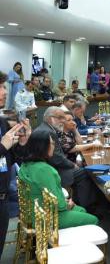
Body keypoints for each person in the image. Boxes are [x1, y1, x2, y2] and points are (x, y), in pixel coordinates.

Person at [18, 129, 99, 229]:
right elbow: (59, 204)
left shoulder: (25, 165)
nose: (54, 147)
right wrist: (67, 204)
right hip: (47, 217)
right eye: (52, 144)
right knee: (93, 219)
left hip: (32, 214)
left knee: (81, 210)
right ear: (43, 146)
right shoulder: (44, 170)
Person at [34, 107, 97, 209]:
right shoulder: (49, 132)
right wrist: (72, 165)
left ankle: (79, 202)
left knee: (83, 169)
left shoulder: (46, 128)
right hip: (54, 170)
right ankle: (87, 207)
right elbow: (56, 158)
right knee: (86, 173)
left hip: (52, 167)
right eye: (60, 118)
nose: (63, 121)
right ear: (51, 118)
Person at [0, 71, 31, 258]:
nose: (5, 92)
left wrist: (22, 143)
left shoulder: (2, 123)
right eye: (1, 87)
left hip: (3, 199)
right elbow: (2, 149)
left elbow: (12, 160)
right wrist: (2, 146)